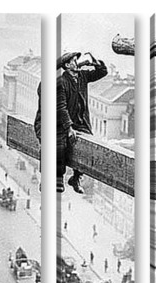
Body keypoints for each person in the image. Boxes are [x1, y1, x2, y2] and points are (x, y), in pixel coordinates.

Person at [56, 51, 108, 193]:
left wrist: (95, 62)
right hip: (69, 122)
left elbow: (102, 72)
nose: (77, 62)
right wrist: (69, 127)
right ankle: (60, 178)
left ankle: (76, 178)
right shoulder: (62, 82)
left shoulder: (82, 76)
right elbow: (61, 107)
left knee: (87, 146)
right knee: (65, 146)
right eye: (73, 61)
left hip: (83, 121)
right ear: (67, 65)